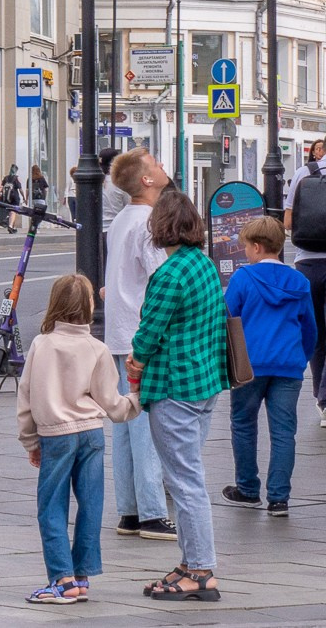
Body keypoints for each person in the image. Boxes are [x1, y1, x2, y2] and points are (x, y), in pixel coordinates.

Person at [126, 189, 230, 603]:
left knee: (185, 482)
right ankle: (189, 564)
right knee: (186, 475)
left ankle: (201, 571)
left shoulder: (169, 274)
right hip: (205, 384)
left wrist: (135, 360)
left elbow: (148, 333)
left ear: (161, 227)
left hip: (175, 386)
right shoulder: (203, 264)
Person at [15, 274, 141, 606]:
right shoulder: (97, 349)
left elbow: (25, 398)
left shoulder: (42, 345)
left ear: (54, 304)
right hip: (91, 433)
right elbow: (112, 402)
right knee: (91, 503)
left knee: (51, 506)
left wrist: (30, 442)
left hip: (56, 435)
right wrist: (137, 398)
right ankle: (82, 573)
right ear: (89, 306)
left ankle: (62, 579)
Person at [103, 148, 178, 541]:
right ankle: (151, 511)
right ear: (147, 180)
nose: (163, 168)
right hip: (140, 329)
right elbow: (161, 278)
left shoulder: (121, 219)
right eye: (157, 165)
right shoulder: (151, 222)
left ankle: (129, 511)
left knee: (125, 421)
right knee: (147, 421)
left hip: (118, 328)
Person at [222, 216, 317, 516]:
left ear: (258, 247)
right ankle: (279, 498)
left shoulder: (242, 279)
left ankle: (248, 489)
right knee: (283, 432)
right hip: (288, 366)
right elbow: (310, 329)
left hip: (250, 365)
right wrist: (300, 358)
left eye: (247, 247)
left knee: (243, 424)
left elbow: (227, 320)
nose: (245, 252)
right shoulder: (299, 282)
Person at [284, 138, 326, 427]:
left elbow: (288, 222)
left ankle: (320, 399)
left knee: (316, 334)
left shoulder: (304, 172)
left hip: (306, 260)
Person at [0, 165, 25, 233]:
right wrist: (24, 197)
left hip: (7, 197)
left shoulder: (6, 178)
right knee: (13, 211)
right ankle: (10, 226)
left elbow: (1, 186)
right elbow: (20, 189)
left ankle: (13, 227)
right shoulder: (16, 178)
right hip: (14, 197)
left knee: (12, 212)